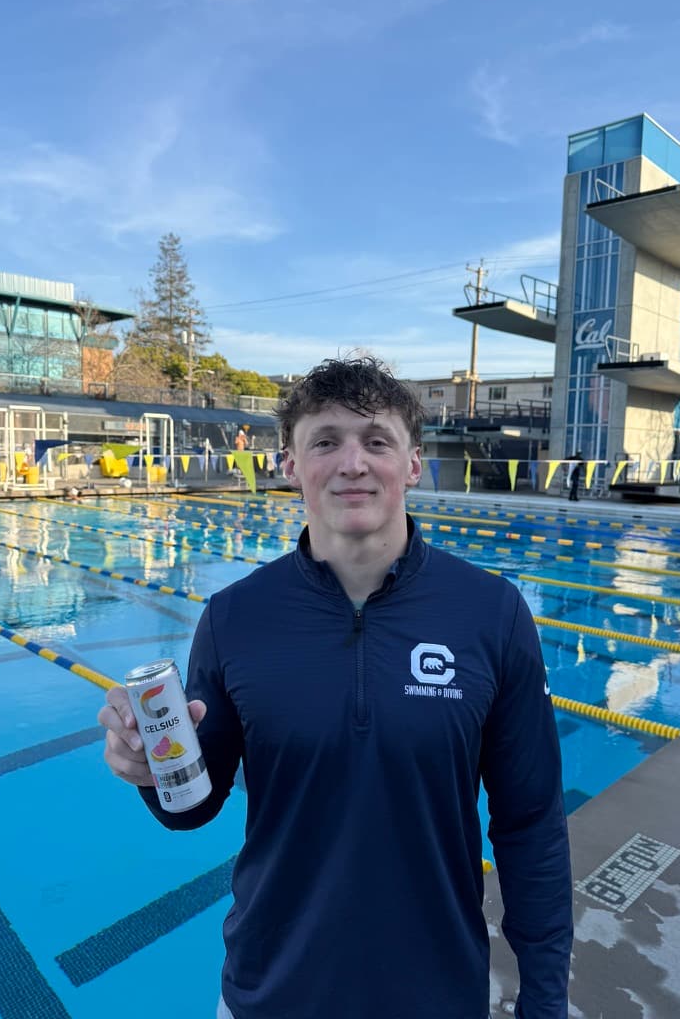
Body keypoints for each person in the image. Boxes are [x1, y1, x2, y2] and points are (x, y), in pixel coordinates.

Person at [99, 356, 573, 1019]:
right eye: (325, 441)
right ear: (290, 465)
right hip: (270, 993)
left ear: (412, 463)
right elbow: (192, 809)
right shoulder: (235, 618)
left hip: (438, 996)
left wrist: (545, 1000)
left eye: (376, 441)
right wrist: (151, 769)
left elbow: (531, 825)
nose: (353, 463)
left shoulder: (490, 613)